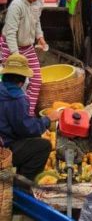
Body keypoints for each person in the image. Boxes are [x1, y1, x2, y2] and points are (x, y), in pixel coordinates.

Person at [0, 54, 52, 184]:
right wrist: (47, 120)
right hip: (5, 147)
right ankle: (22, 184)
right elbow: (27, 129)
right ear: (22, 81)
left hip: (4, 137)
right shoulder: (17, 99)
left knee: (34, 140)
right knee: (43, 146)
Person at [2, 0, 47, 113]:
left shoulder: (39, 1)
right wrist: (16, 56)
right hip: (9, 47)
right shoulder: (16, 6)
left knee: (36, 80)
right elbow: (10, 33)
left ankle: (28, 112)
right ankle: (8, 112)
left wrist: (40, 36)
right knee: (13, 84)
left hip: (27, 47)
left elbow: (36, 20)